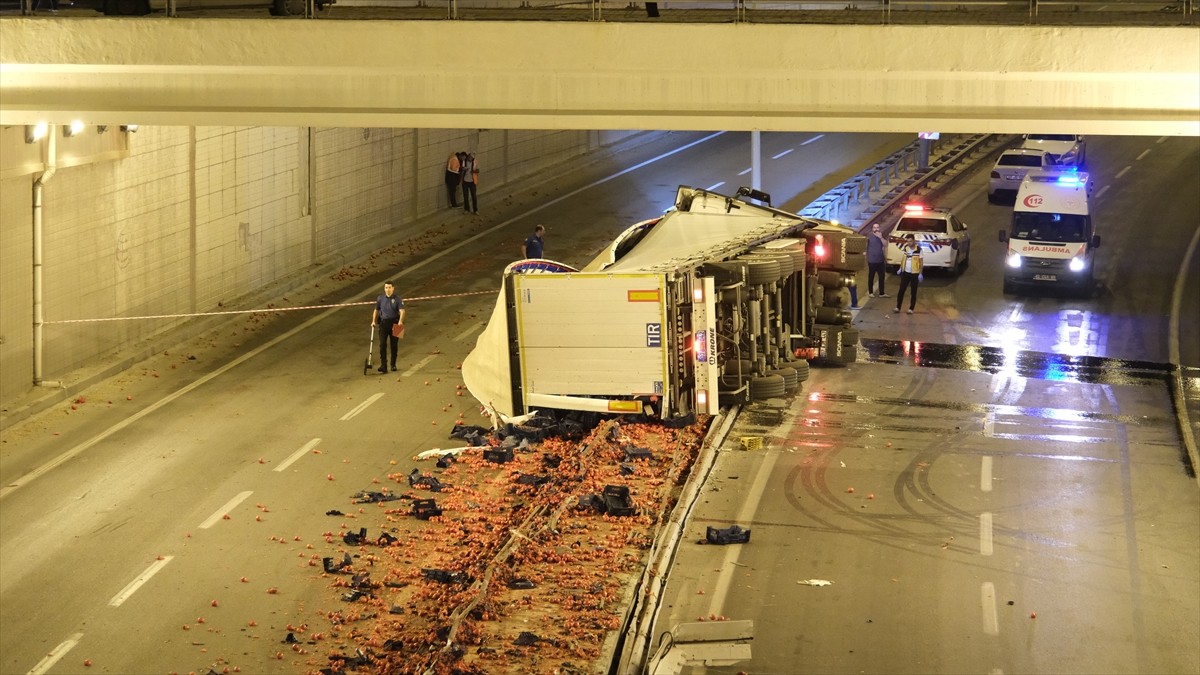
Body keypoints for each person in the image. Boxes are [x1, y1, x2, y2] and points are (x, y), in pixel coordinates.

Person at [371, 281, 405, 373]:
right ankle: (383, 365)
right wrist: (373, 321)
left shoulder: (398, 299)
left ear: (393, 288)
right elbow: (376, 310)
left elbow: (402, 311)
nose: (388, 289)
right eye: (386, 287)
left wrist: (401, 321)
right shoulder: (380, 298)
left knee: (394, 345)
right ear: (384, 288)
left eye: (389, 287)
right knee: (382, 345)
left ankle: (393, 364)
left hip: (396, 323)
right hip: (383, 323)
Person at [894, 234, 923, 315]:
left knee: (913, 292)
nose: (909, 243)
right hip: (905, 273)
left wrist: (920, 273)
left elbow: (921, 263)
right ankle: (898, 307)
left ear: (914, 240)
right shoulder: (906, 248)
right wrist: (900, 268)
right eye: (908, 241)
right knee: (901, 290)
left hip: (914, 274)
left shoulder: (919, 250)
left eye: (910, 241)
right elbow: (903, 259)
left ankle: (911, 308)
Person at [866, 223, 889, 298]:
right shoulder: (869, 236)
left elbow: (886, 245)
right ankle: (870, 292)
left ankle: (881, 293)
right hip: (872, 260)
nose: (876, 229)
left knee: (882, 277)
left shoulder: (882, 235)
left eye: (877, 227)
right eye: (874, 227)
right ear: (872, 229)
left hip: (880, 260)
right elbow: (866, 246)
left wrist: (881, 237)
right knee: (871, 277)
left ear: (879, 228)